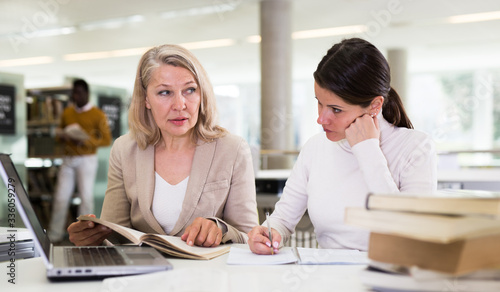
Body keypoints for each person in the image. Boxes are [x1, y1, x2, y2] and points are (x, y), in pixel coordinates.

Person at [248, 38, 437, 254]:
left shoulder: (416, 147)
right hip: (327, 280)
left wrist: (368, 150)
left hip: (389, 281)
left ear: (375, 105)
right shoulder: (314, 148)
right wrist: (268, 233)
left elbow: (412, 236)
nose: (321, 119)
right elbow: (283, 219)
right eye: (319, 103)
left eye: (336, 109)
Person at [67, 44, 258, 247]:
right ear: (146, 99)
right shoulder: (124, 150)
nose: (179, 105)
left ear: (202, 94)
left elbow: (249, 237)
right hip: (144, 276)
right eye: (165, 93)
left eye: (190, 90)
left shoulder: (232, 149)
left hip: (210, 276)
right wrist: (92, 241)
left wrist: (221, 229)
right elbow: (115, 238)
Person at [48, 79, 112, 243]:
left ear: (86, 93)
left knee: (86, 198)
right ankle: (54, 236)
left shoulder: (97, 114)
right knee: (61, 197)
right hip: (68, 158)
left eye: (79, 92)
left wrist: (86, 141)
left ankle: (87, 236)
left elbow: (106, 140)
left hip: (87, 159)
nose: (76, 96)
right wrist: (61, 135)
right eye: (74, 93)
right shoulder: (67, 112)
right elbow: (59, 133)